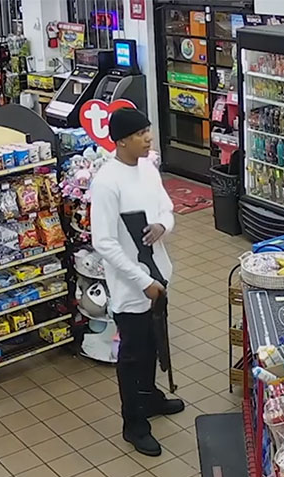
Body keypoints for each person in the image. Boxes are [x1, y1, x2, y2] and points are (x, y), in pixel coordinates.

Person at [89, 108, 184, 457]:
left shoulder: (147, 168)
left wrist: (163, 225)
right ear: (122, 140)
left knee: (155, 343)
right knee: (133, 355)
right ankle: (134, 424)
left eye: (148, 130)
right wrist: (141, 280)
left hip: (159, 275)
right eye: (141, 133)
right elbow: (104, 242)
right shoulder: (106, 182)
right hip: (132, 287)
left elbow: (166, 207)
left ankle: (152, 398)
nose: (149, 138)